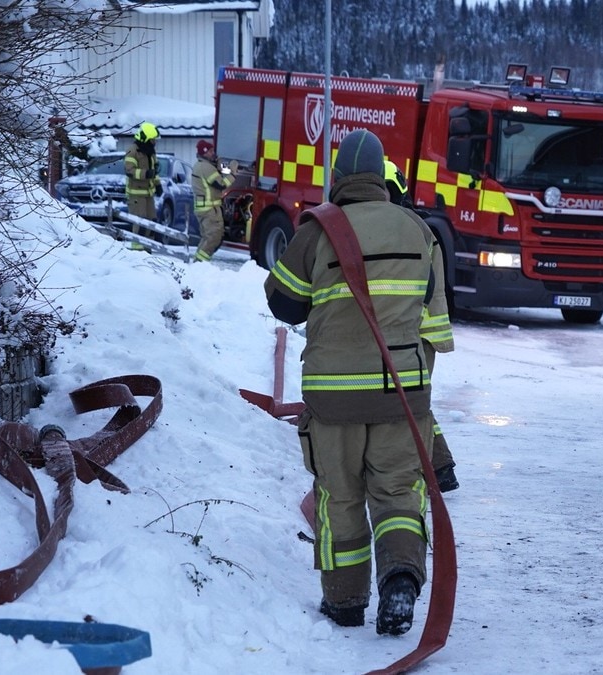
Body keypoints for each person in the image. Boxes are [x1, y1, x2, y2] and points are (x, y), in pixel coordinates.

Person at [264, 130, 453, 636]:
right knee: (396, 493)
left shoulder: (317, 230)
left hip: (334, 399)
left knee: (340, 496)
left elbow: (282, 302)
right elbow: (433, 322)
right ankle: (400, 578)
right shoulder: (420, 232)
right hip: (401, 395)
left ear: (340, 178)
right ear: (382, 177)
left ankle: (346, 603)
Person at [384, 159, 459, 492]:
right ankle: (440, 468)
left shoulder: (406, 231)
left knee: (405, 402)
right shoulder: (414, 227)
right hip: (420, 333)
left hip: (414, 333)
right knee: (409, 400)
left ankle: (439, 468)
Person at [191, 140, 236, 263]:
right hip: (210, 210)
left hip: (204, 209)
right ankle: (199, 264)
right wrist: (233, 174)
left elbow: (217, 175)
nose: (213, 153)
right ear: (204, 153)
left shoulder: (202, 165)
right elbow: (221, 184)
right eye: (210, 151)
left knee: (207, 238)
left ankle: (197, 263)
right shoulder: (206, 167)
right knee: (214, 238)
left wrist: (220, 166)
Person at [124, 122, 161, 223]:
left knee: (152, 223)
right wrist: (146, 174)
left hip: (149, 194)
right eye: (153, 139)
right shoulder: (133, 151)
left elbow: (155, 171)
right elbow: (129, 171)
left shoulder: (150, 152)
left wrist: (158, 184)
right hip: (136, 196)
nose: (154, 142)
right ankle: (136, 240)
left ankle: (150, 239)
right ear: (146, 139)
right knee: (140, 225)